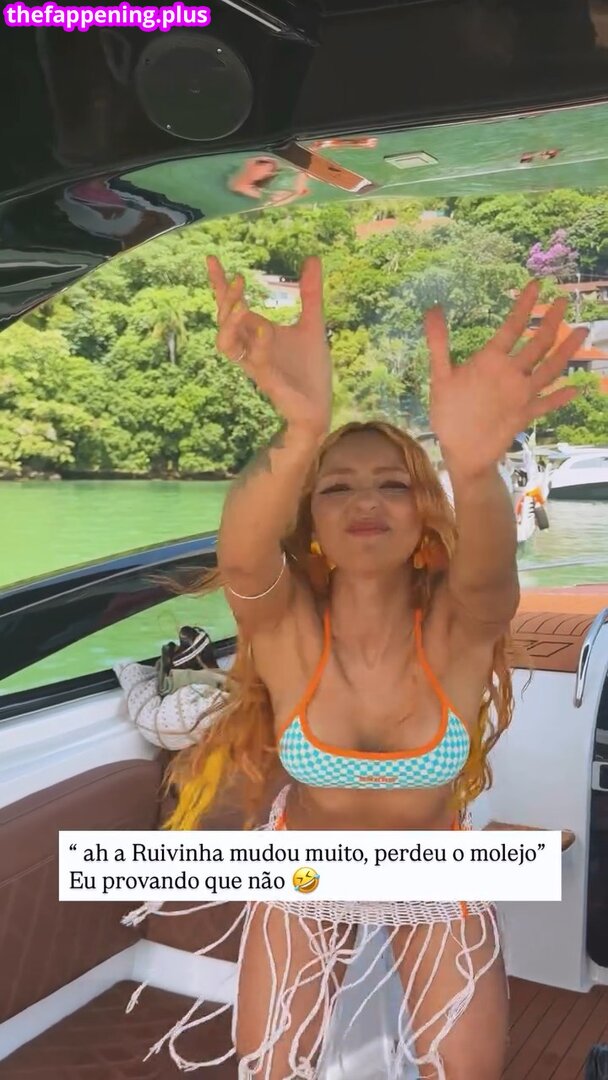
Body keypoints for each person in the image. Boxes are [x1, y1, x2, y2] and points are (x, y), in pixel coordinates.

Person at [125, 256, 584, 1079]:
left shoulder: (458, 627)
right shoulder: (285, 627)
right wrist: (300, 430)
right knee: (271, 1069)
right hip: (304, 866)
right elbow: (243, 559)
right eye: (337, 488)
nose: (366, 501)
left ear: (424, 512)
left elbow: (490, 577)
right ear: (311, 522)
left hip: (434, 869)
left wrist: (474, 466)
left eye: (393, 485)